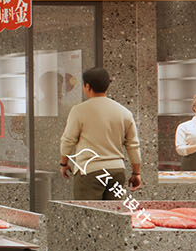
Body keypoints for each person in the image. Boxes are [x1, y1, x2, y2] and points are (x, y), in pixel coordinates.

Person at [59, 67, 142, 199]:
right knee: (113, 211)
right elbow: (133, 145)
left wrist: (64, 163)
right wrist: (136, 173)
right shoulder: (124, 112)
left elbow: (68, 140)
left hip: (90, 171)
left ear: (87, 86)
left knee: (88, 211)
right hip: (116, 171)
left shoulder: (79, 110)